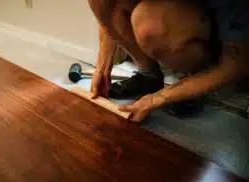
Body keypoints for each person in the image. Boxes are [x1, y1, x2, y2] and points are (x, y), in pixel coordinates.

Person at [87, 0, 249, 122]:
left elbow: (237, 63)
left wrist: (160, 98)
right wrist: (102, 68)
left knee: (149, 25)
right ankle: (148, 76)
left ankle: (194, 75)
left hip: (214, 34)